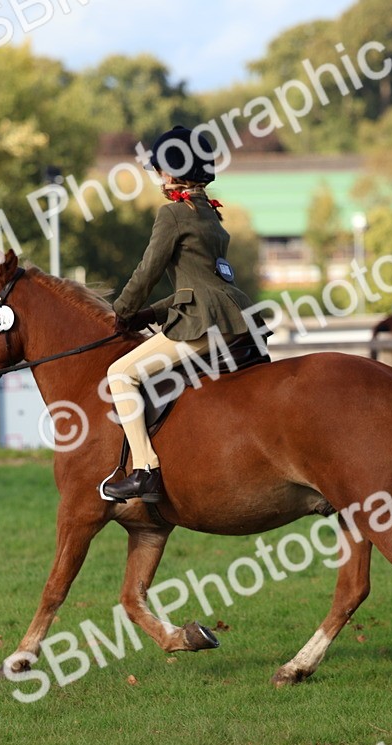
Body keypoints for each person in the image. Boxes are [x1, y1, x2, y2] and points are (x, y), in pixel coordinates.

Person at [103, 126, 255, 503]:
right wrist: (150, 314)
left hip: (205, 325)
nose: (157, 177)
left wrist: (121, 311)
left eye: (159, 170)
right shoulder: (209, 214)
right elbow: (198, 285)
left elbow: (147, 271)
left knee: (119, 374)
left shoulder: (172, 214)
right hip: (237, 315)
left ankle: (144, 470)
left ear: (171, 173)